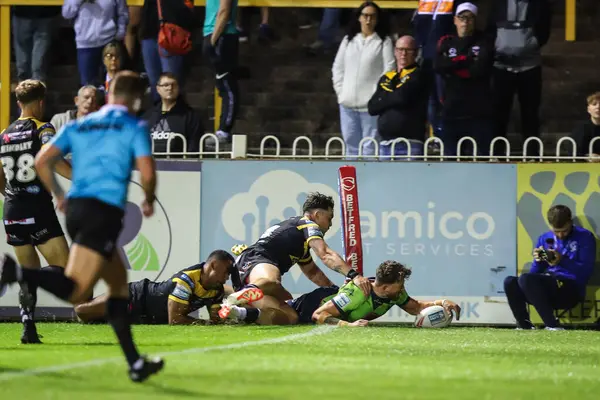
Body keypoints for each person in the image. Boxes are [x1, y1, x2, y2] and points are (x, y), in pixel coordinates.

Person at [0, 71, 163, 382]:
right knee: (78, 290)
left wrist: (59, 195)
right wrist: (149, 199)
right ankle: (16, 273)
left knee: (117, 284)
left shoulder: (78, 124)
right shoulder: (134, 125)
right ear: (136, 99)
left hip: (73, 208)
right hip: (101, 212)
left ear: (108, 94)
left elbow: (42, 160)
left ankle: (135, 363)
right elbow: (147, 170)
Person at [220, 192, 372, 326]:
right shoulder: (308, 224)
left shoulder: (300, 242)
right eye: (329, 218)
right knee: (272, 281)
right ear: (318, 214)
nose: (331, 224)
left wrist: (335, 291)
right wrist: (354, 275)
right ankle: (236, 296)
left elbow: (313, 272)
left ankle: (239, 312)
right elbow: (325, 254)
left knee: (291, 316)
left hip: (252, 276)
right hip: (254, 260)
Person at [0, 80, 72, 344]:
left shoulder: (4, 134)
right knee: (67, 271)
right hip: (38, 208)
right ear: (41, 102)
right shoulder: (43, 128)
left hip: (12, 209)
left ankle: (28, 327)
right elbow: (49, 156)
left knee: (29, 269)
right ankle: (18, 274)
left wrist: (10, 195)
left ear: (18, 103)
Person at [224, 260, 462, 327]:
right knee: (286, 316)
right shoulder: (358, 293)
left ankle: (241, 306)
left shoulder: (394, 294)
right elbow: (319, 315)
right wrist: (348, 326)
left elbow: (415, 307)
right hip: (312, 306)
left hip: (325, 301)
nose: (402, 289)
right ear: (386, 287)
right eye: (399, 285)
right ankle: (238, 298)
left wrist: (442, 302)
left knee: (280, 310)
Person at [75, 250, 239, 325]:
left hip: (142, 318)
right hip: (134, 296)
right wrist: (206, 324)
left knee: (100, 322)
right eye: (225, 272)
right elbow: (175, 320)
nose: (227, 277)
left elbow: (216, 320)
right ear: (213, 265)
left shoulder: (216, 289)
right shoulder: (186, 280)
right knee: (83, 312)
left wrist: (225, 314)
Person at [504, 205, 596, 330]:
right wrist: (538, 261)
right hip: (546, 286)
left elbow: (586, 271)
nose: (561, 235)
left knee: (526, 279)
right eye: (556, 231)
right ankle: (524, 326)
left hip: (570, 289)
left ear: (570, 222)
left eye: (564, 230)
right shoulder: (544, 238)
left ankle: (552, 325)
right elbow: (533, 274)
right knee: (510, 281)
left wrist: (561, 260)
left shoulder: (585, 237)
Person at [332, 1, 395, 158]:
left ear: (377, 19)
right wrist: (341, 93)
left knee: (370, 149)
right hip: (347, 106)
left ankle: (371, 182)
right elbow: (337, 68)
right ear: (359, 18)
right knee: (351, 149)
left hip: (370, 108)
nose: (368, 20)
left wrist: (377, 97)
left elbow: (389, 71)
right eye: (365, 15)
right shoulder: (348, 40)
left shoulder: (384, 42)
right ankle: (350, 183)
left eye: (372, 16)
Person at [435, 2, 494, 157]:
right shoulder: (446, 41)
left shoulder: (484, 40)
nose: (465, 22)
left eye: (469, 18)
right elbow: (439, 66)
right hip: (452, 109)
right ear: (455, 20)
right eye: (462, 18)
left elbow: (480, 69)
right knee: (452, 157)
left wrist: (453, 65)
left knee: (481, 156)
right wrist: (467, 60)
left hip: (478, 111)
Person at [368, 35, 429, 159]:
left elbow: (402, 98)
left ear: (416, 53)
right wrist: (394, 95)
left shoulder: (419, 74)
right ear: (395, 52)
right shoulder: (387, 77)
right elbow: (372, 107)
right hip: (386, 144)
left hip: (410, 143)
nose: (403, 54)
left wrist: (385, 97)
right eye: (400, 49)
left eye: (408, 50)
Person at [203, 0, 241, 147]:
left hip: (221, 35)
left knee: (227, 83)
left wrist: (212, 40)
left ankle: (224, 131)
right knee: (222, 83)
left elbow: (224, 11)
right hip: (216, 33)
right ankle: (222, 129)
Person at [142, 73, 204, 157]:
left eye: (173, 85)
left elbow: (195, 149)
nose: (170, 88)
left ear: (178, 88)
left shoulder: (191, 117)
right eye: (165, 85)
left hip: (178, 168)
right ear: (158, 89)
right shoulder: (147, 116)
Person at [570, 92, 600, 160]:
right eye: (594, 104)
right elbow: (573, 152)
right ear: (588, 109)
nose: (598, 107)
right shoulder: (580, 129)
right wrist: (587, 157)